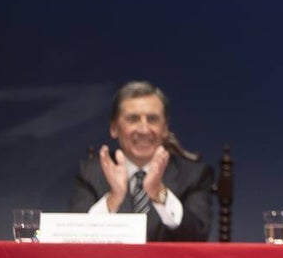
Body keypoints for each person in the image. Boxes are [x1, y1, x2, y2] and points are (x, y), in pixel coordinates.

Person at [69, 81, 214, 242]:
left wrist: (159, 193)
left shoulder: (194, 175)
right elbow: (75, 239)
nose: (144, 130)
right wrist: (113, 199)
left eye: (152, 119)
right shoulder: (90, 173)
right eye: (133, 119)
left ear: (165, 128)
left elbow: (198, 237)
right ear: (114, 128)